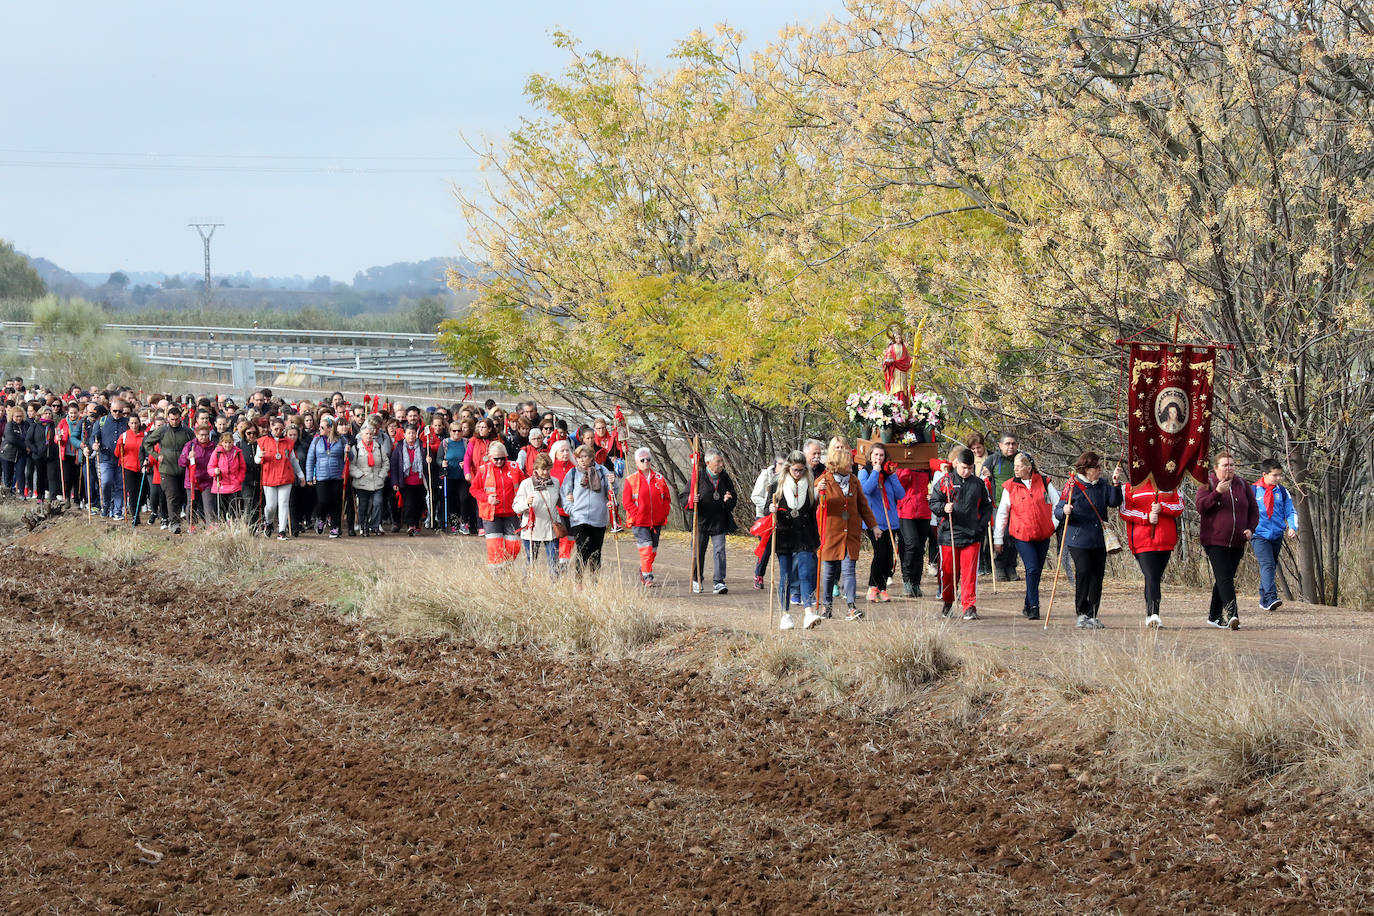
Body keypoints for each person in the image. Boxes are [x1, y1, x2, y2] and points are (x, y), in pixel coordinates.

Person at [1053, 452, 1123, 629]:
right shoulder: (1072, 485)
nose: (1100, 470)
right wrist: (1065, 511)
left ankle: (1093, 614)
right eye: (1096, 467)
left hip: (1099, 539)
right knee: (1083, 573)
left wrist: (1115, 483)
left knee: (1097, 577)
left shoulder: (1102, 485)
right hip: (1077, 539)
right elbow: (1058, 510)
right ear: (1086, 469)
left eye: (1100, 467)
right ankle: (1082, 613)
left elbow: (1114, 501)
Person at [815, 440, 878, 621]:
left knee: (849, 569)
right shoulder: (824, 480)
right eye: (849, 461)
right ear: (839, 463)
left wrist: (874, 526)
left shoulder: (854, 481)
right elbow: (813, 500)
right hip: (830, 534)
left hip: (850, 534)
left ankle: (851, 607)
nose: (852, 464)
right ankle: (826, 607)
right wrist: (818, 492)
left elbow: (863, 506)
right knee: (828, 571)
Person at [993, 453, 1060, 620]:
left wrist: (1053, 525)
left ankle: (1027, 603)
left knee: (1036, 571)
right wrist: (998, 539)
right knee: (1031, 568)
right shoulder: (1010, 487)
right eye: (1014, 466)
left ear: (1029, 468)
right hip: (1021, 535)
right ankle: (1035, 606)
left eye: (1019, 466)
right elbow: (1002, 514)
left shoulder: (1045, 482)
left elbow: (1058, 505)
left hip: (1043, 534)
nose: (1015, 469)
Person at [929, 448, 994, 620]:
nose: (967, 471)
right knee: (949, 572)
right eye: (964, 467)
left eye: (970, 468)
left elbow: (987, 508)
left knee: (969, 573)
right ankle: (948, 602)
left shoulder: (979, 484)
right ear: (957, 463)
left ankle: (969, 606)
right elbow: (934, 501)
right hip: (949, 534)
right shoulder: (946, 481)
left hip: (972, 535)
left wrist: (980, 526)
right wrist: (943, 508)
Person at [1197, 452, 1258, 629]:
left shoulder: (1242, 484)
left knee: (1225, 578)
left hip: (1238, 541)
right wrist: (1216, 493)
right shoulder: (1207, 483)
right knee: (1225, 579)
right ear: (1216, 468)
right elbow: (1201, 507)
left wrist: (1250, 528)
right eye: (1225, 465)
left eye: (1232, 465)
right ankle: (1232, 615)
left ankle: (1214, 616)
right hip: (1215, 540)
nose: (1229, 468)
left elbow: (1253, 509)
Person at [1120, 475, 1185, 628]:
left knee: (1155, 577)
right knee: (1151, 575)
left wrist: (1162, 507)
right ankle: (1153, 614)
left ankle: (1153, 613)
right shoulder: (1129, 487)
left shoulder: (1170, 484)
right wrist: (1146, 517)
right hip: (1142, 541)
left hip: (1165, 541)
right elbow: (1125, 511)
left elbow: (1179, 506)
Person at [772, 451, 820, 630]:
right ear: (788, 468)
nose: (798, 473)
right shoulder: (777, 484)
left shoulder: (809, 487)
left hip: (804, 535)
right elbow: (765, 509)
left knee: (805, 573)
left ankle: (808, 612)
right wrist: (771, 509)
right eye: (795, 470)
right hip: (784, 534)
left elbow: (811, 515)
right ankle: (785, 614)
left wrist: (816, 540)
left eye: (801, 470)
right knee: (785, 575)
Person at [859, 443, 904, 603]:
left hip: (891, 521)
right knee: (880, 554)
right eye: (876, 455)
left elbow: (900, 494)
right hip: (874, 521)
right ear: (870, 456)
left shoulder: (889, 475)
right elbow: (866, 490)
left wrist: (892, 475)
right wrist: (876, 472)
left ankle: (882, 588)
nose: (878, 458)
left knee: (889, 557)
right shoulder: (864, 472)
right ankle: (872, 587)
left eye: (881, 455)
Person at [1252, 459, 1299, 612]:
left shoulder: (1282, 492)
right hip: (1259, 534)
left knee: (1270, 566)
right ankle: (1271, 597)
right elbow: (1244, 511)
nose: (1278, 478)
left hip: (1276, 535)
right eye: (1275, 475)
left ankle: (1264, 599)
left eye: (1280, 475)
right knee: (1267, 564)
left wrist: (1292, 526)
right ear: (1264, 474)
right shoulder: (1253, 490)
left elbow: (1290, 510)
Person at [621, 447, 672, 587]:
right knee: (647, 548)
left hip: (656, 521)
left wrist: (663, 513)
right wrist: (637, 515)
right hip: (639, 522)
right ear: (637, 462)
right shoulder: (631, 480)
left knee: (653, 550)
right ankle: (648, 576)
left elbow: (667, 499)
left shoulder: (660, 478)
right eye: (642, 460)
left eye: (648, 459)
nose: (645, 462)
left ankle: (643, 569)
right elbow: (626, 502)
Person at [689, 450, 738, 595]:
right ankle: (697, 579)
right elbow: (685, 496)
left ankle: (719, 582)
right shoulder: (698, 476)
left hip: (719, 521)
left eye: (721, 461)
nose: (722, 464)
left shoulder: (724, 477)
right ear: (708, 463)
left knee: (720, 551)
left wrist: (728, 499)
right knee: (698, 551)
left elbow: (733, 495)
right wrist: (693, 500)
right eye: (718, 462)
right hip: (701, 521)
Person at [562, 444, 614, 578]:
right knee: (583, 549)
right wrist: (572, 510)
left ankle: (594, 582)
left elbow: (612, 492)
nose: (581, 460)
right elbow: (564, 495)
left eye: (585, 457)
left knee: (596, 552)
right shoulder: (573, 473)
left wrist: (613, 484)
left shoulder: (602, 471)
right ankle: (578, 581)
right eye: (579, 457)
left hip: (599, 518)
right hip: (579, 518)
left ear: (592, 458)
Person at [472, 440, 525, 566]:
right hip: (492, 515)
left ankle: (507, 570)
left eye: (502, 458)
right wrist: (487, 498)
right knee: (495, 547)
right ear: (490, 457)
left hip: (512, 514)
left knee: (513, 546)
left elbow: (524, 485)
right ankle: (497, 576)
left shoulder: (515, 468)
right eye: (496, 459)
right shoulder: (484, 470)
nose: (499, 461)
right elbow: (474, 489)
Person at [142, 406, 194, 534]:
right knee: (172, 496)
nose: (174, 422)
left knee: (182, 496)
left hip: (183, 468)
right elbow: (147, 443)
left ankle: (188, 521)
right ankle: (174, 522)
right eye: (171, 419)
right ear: (168, 419)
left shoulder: (187, 431)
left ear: (180, 418)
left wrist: (192, 455)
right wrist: (155, 455)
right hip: (166, 468)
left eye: (176, 419)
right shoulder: (162, 430)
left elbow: (195, 444)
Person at [512, 452, 563, 575]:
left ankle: (555, 588)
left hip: (551, 529)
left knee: (554, 562)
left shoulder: (555, 482)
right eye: (543, 469)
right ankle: (526, 586)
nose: (546, 472)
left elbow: (560, 503)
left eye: (548, 469)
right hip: (532, 529)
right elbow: (516, 507)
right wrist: (526, 503)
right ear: (536, 468)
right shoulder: (526, 484)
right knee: (531, 561)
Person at [256, 416, 304, 540]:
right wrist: (260, 456)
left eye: (281, 429)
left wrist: (301, 475)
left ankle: (282, 530)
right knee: (271, 505)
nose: (278, 431)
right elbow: (257, 459)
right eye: (276, 428)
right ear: (271, 427)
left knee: (283, 503)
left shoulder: (288, 442)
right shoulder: (262, 441)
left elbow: (293, 460)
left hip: (285, 476)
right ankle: (269, 522)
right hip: (269, 476)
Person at [981, 434, 1021, 582]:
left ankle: (1011, 566)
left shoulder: (1021, 458)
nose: (1011, 447)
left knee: (1015, 536)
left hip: (1019, 505)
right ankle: (999, 566)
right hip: (998, 503)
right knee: (1002, 535)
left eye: (1013, 444)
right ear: (1000, 445)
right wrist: (988, 477)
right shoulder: (993, 460)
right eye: (1007, 444)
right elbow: (983, 479)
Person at [306, 415, 349, 537]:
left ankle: (335, 527)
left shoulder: (341, 440)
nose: (320, 429)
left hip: (337, 476)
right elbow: (310, 459)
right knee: (322, 500)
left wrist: (348, 451)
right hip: (321, 476)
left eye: (322, 427)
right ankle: (321, 518)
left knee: (336, 502)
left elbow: (350, 458)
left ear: (330, 428)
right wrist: (309, 477)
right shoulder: (316, 440)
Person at [894, 461, 932, 597]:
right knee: (911, 545)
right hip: (906, 511)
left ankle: (916, 583)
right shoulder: (902, 465)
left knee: (920, 548)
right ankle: (907, 580)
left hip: (924, 511)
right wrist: (907, 468)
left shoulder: (927, 466)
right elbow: (899, 485)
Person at [750, 455, 786, 589]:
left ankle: (787, 578)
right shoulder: (766, 475)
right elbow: (755, 496)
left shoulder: (787, 478)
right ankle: (758, 575)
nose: (783, 467)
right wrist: (768, 506)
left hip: (781, 517)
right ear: (776, 463)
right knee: (766, 546)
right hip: (764, 517)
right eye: (781, 464)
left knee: (781, 548)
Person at [349, 423, 390, 537]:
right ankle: (363, 526)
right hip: (362, 482)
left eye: (370, 434)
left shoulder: (379, 447)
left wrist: (382, 475)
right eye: (366, 434)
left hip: (377, 481)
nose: (368, 436)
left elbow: (386, 462)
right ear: (361, 435)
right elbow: (351, 465)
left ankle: (375, 525)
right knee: (363, 506)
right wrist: (359, 474)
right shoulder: (356, 448)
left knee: (378, 503)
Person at [391, 424, 431, 536]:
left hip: (420, 481)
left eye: (413, 433)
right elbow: (394, 466)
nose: (411, 435)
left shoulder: (423, 446)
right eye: (409, 433)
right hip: (406, 481)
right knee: (409, 504)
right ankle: (410, 525)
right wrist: (395, 482)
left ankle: (417, 525)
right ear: (404, 434)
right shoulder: (399, 447)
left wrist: (428, 460)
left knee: (419, 505)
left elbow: (428, 465)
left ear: (416, 434)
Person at [178, 424, 217, 526]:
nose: (203, 437)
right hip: (193, 480)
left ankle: (210, 526)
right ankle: (192, 526)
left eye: (206, 435)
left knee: (208, 505)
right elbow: (181, 462)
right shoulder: (190, 445)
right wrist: (187, 457)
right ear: (196, 434)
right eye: (201, 435)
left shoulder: (212, 446)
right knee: (192, 505)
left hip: (207, 481)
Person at [114, 414, 148, 524]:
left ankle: (138, 508)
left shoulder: (145, 435)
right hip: (129, 467)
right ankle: (135, 516)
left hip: (142, 467)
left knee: (143, 492)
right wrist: (120, 445)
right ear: (128, 424)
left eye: (136, 423)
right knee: (133, 492)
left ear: (139, 423)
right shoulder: (124, 436)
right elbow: (117, 453)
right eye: (132, 423)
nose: (134, 425)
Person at [207, 432, 247, 524]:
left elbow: (242, 468)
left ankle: (234, 529)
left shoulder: (237, 452)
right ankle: (222, 528)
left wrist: (239, 480)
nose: (227, 445)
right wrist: (215, 471)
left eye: (229, 442)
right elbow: (210, 467)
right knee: (221, 512)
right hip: (220, 486)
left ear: (233, 442)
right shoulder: (217, 452)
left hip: (234, 486)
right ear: (222, 442)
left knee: (235, 512)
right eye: (225, 442)